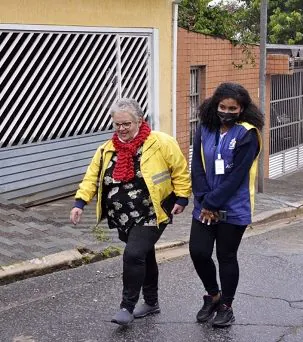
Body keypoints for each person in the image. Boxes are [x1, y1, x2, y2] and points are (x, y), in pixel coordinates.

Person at [70, 98, 191, 326]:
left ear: (139, 120)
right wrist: (80, 203)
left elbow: (180, 170)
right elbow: (92, 177)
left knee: (134, 255)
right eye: (117, 124)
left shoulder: (161, 142)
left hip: (152, 211)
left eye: (127, 124)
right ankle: (152, 302)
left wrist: (183, 196)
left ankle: (127, 307)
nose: (122, 129)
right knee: (144, 254)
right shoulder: (107, 149)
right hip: (122, 216)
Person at [189, 82, 263, 328]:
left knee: (226, 256)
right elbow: (197, 166)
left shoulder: (248, 134)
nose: (227, 112)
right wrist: (203, 200)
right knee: (198, 252)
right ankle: (213, 295)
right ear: (215, 105)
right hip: (204, 203)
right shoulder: (205, 128)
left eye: (233, 108)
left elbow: (237, 176)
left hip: (234, 206)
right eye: (223, 106)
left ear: (242, 109)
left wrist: (212, 201)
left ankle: (226, 306)